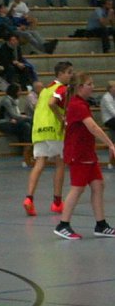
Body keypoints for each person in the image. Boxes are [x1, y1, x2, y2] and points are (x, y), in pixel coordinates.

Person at [54, 73, 115, 239]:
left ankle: (101, 224)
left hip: (88, 152)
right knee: (78, 187)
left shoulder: (81, 103)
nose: (93, 86)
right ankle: (63, 224)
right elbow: (93, 127)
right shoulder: (77, 105)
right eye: (90, 83)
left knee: (98, 185)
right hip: (78, 153)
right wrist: (110, 144)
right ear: (80, 87)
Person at [24, 61, 73, 216]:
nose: (71, 75)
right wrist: (62, 120)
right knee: (60, 164)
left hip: (38, 130)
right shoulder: (62, 89)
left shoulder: (45, 90)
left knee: (39, 163)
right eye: (69, 72)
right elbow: (53, 105)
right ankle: (57, 202)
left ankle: (29, 198)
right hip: (54, 130)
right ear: (60, 74)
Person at [100, 80, 115, 168]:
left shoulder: (113, 97)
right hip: (109, 120)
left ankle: (112, 161)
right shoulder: (106, 98)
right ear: (110, 89)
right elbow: (113, 112)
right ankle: (111, 161)